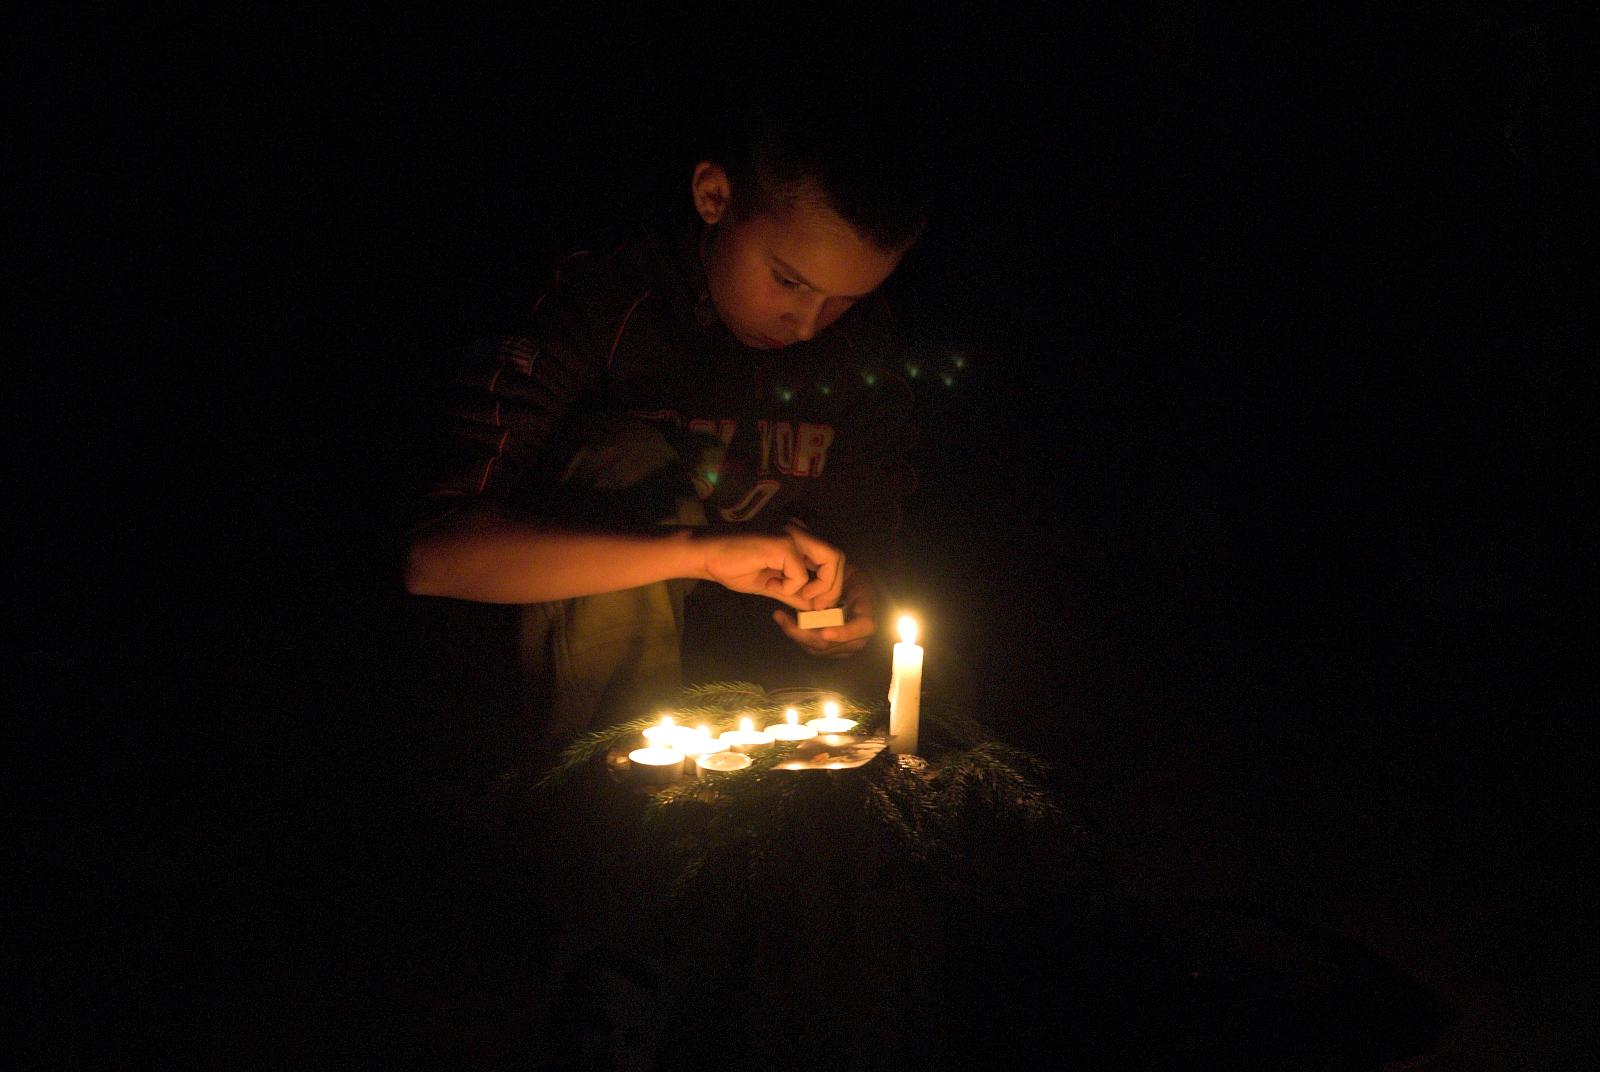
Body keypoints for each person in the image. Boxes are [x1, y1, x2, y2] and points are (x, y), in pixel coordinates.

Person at [402, 91, 936, 759]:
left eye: (844, 300)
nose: (806, 327)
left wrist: (853, 599)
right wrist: (696, 552)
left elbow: (867, 544)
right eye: (788, 282)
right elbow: (432, 554)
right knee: (623, 458)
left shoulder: (860, 350)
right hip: (547, 722)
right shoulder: (603, 301)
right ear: (714, 196)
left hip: (754, 705)